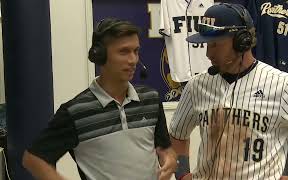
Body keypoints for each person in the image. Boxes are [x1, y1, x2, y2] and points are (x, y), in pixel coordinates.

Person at [169, 3, 288, 180]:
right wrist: (181, 175)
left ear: (242, 41)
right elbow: (177, 133)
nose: (208, 54)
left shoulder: (281, 85)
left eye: (215, 45)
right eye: (206, 45)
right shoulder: (197, 86)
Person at [22, 18, 177, 180]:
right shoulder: (76, 112)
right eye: (124, 52)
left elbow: (165, 149)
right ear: (99, 55)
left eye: (136, 51)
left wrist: (170, 159)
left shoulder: (150, 99)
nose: (133, 60)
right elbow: (33, 159)